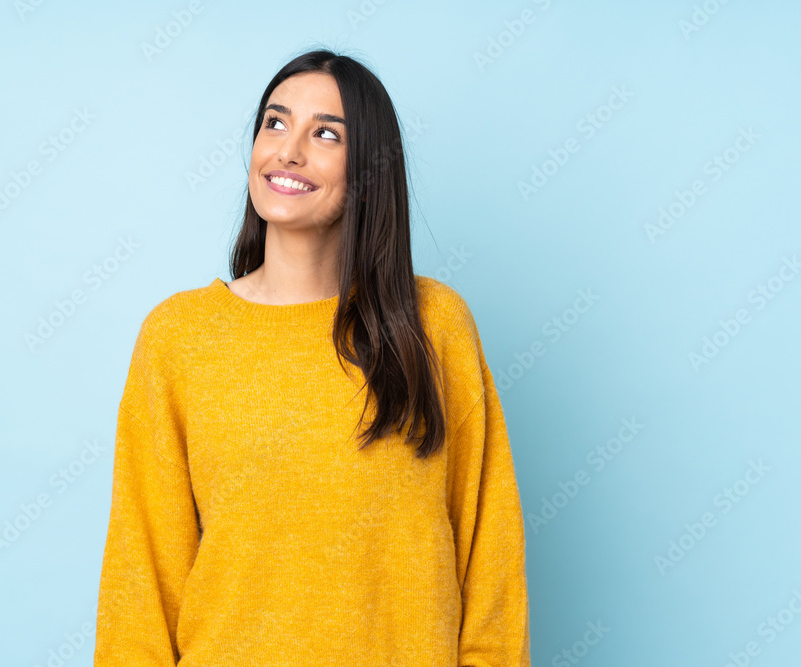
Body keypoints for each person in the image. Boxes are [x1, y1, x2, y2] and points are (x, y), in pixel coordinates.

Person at [93, 48, 530, 667]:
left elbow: (491, 559)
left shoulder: (432, 326)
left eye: (326, 133)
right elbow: (141, 578)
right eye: (275, 123)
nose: (288, 150)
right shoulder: (179, 336)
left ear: (370, 169)